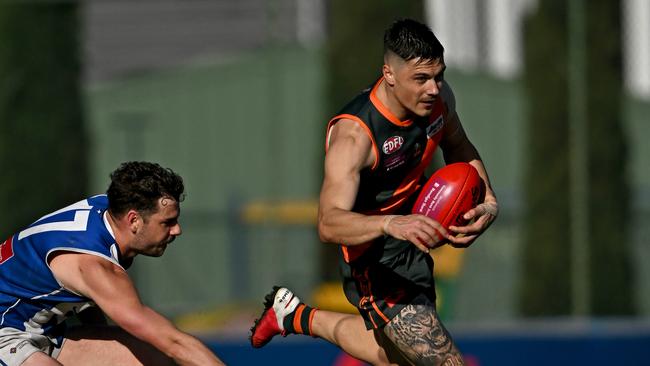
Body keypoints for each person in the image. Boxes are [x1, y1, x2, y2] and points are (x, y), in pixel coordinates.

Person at [250, 18, 498, 365]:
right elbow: (329, 223)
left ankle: (294, 316)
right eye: (421, 79)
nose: (433, 88)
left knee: (394, 358)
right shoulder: (355, 137)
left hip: (413, 240)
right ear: (389, 74)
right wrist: (389, 224)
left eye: (438, 76)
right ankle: (296, 316)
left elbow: (459, 146)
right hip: (375, 260)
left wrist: (488, 201)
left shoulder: (439, 102)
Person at [0, 161, 225, 366]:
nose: (177, 230)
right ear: (134, 220)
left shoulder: (113, 210)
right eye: (168, 222)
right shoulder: (94, 265)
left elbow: (91, 303)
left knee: (156, 357)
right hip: (6, 332)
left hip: (43, 330)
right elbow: (173, 342)